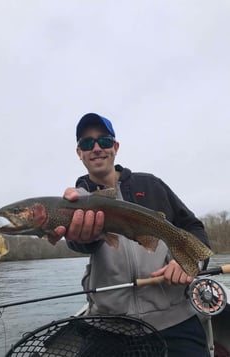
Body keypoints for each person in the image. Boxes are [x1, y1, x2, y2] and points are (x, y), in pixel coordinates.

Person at [48, 113, 211, 356]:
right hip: (107, 324)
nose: (96, 148)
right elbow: (79, 245)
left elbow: (193, 227)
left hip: (174, 318)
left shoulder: (151, 185)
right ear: (79, 153)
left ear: (115, 147)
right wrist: (82, 237)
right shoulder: (76, 199)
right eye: (86, 143)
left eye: (103, 142)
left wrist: (189, 263)